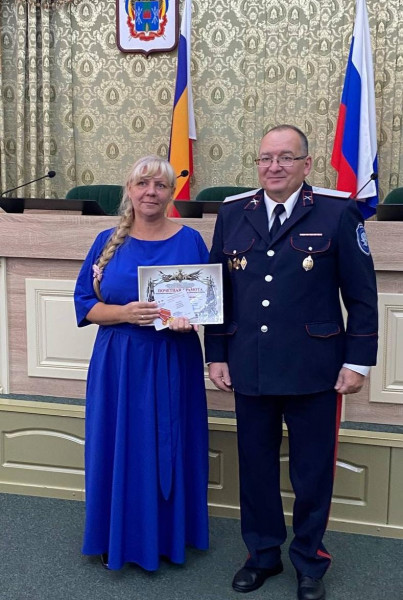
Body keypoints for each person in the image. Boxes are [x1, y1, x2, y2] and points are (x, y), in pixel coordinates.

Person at [204, 125, 378, 600]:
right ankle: (262, 555)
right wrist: (216, 354)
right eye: (266, 158)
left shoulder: (337, 212)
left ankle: (309, 561)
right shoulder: (233, 212)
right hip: (250, 365)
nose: (274, 166)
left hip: (315, 368)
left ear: (307, 164)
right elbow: (218, 292)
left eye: (285, 157)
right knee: (256, 468)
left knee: (312, 473)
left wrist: (358, 363)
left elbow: (362, 296)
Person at [74, 155, 209, 571]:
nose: (150, 192)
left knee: (171, 443)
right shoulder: (106, 241)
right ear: (129, 190)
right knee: (117, 444)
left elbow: (208, 302)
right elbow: (84, 303)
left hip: (174, 357)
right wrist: (124, 313)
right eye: (142, 183)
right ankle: (115, 535)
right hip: (119, 361)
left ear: (171, 194)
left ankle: (168, 536)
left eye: (160, 185)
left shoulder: (191, 241)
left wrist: (190, 320)